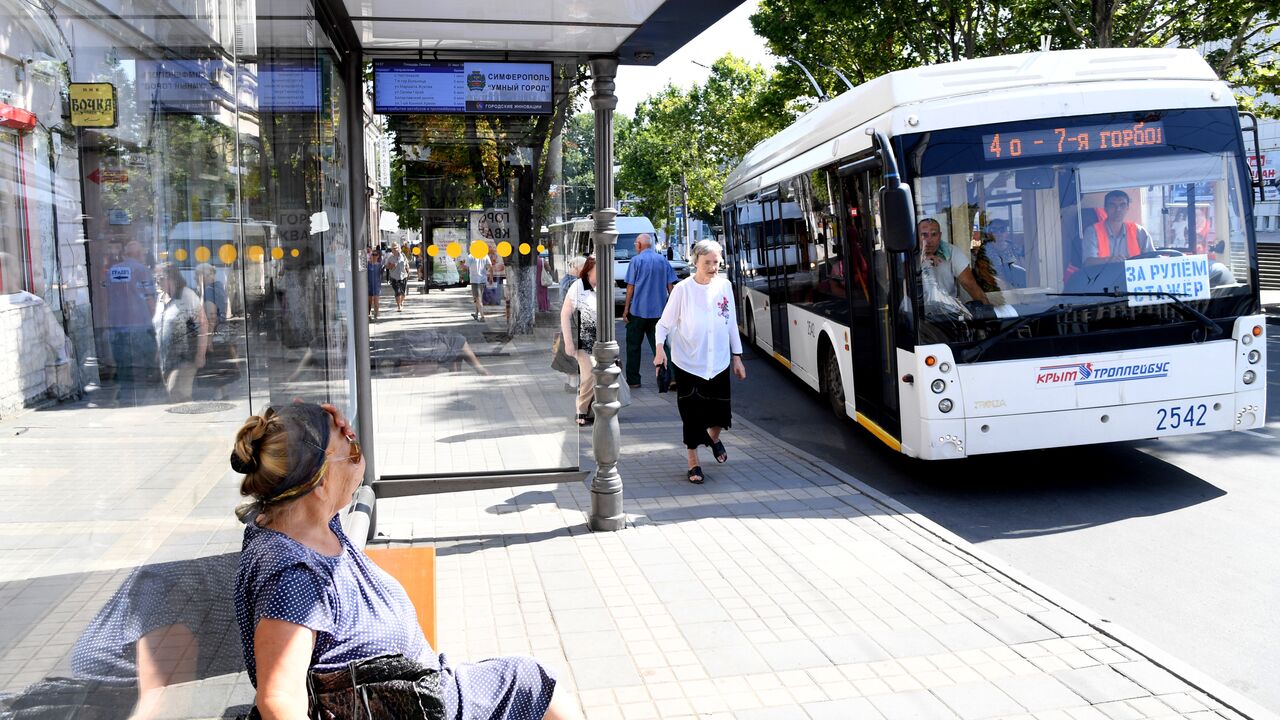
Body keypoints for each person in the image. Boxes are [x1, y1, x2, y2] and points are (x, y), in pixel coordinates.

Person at [231, 403, 578, 720]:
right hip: (414, 707)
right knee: (530, 684)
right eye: (351, 450)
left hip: (417, 694)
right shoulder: (293, 575)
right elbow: (279, 699)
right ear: (320, 483)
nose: (358, 455)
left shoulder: (305, 522)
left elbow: (296, 458)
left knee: (530, 679)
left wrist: (328, 429)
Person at [653, 240, 747, 484]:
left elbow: (730, 323)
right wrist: (659, 350)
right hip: (688, 364)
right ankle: (693, 461)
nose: (713, 267)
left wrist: (737, 357)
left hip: (719, 362)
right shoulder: (683, 290)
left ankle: (713, 438)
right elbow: (663, 325)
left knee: (720, 414)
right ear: (695, 262)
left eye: (716, 262)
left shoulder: (725, 286)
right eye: (708, 263)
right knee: (692, 415)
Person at [622, 233, 677, 389]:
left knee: (633, 346)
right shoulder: (663, 260)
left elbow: (630, 287)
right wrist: (673, 308)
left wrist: (626, 309)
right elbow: (670, 286)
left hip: (638, 311)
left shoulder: (636, 261)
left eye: (635, 245)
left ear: (639, 245)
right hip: (659, 312)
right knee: (661, 345)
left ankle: (633, 380)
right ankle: (671, 377)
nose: (635, 247)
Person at [104, 240, 158, 385]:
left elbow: (107, 298)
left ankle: (125, 396)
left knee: (123, 368)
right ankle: (141, 398)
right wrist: (156, 320)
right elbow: (150, 299)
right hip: (140, 326)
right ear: (140, 254)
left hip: (117, 326)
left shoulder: (111, 271)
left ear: (125, 254)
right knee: (143, 367)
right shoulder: (142, 270)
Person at [153, 263, 207, 403]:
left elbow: (202, 324)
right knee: (176, 397)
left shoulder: (186, 295)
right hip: (166, 359)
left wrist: (200, 354)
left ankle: (193, 419)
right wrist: (159, 352)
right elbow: (161, 327)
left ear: (173, 278)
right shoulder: (160, 298)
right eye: (156, 277)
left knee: (176, 392)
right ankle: (190, 420)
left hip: (185, 357)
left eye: (161, 277)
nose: (157, 281)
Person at [560, 256, 597, 426]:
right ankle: (581, 409)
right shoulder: (578, 286)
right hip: (584, 339)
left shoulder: (605, 285)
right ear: (589, 270)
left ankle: (594, 409)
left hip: (603, 339)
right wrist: (568, 342)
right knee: (589, 375)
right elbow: (565, 313)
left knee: (603, 376)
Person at [918, 218, 991, 305]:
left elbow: (969, 284)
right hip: (915, 312)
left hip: (947, 310)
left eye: (934, 234)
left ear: (940, 236)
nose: (929, 240)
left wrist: (990, 311)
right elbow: (901, 282)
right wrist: (921, 260)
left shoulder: (951, 252)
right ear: (916, 236)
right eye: (924, 235)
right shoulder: (907, 253)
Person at [1083, 190, 1154, 264]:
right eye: (1112, 205)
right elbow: (1088, 263)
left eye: (1122, 205)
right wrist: (1108, 260)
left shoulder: (1139, 231)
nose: (1118, 209)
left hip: (1133, 275)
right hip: (1106, 275)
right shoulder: (1092, 231)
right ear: (1105, 208)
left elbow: (1153, 258)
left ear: (1127, 208)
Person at [970, 219, 1025, 292]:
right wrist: (998, 282)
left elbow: (1024, 267)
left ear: (1006, 232)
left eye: (1002, 230)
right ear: (990, 233)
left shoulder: (1015, 248)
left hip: (1016, 289)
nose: (999, 233)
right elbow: (982, 272)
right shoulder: (984, 249)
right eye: (995, 230)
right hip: (993, 291)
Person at [466, 251, 493, 321]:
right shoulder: (485, 255)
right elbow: (490, 267)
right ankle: (476, 314)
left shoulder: (471, 256)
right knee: (478, 298)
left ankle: (482, 316)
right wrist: (491, 278)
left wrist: (462, 264)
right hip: (483, 280)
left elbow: (465, 268)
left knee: (478, 299)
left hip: (475, 280)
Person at [384, 244, 410, 312]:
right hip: (394, 277)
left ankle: (401, 303)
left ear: (399, 248)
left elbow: (406, 264)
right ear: (392, 250)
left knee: (403, 293)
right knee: (397, 292)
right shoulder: (390, 257)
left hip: (403, 276)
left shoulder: (403, 256)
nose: (395, 250)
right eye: (393, 248)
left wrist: (408, 270)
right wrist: (391, 266)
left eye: (396, 248)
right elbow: (386, 266)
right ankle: (399, 306)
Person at [367, 248, 383, 320]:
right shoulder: (368, 265)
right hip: (369, 285)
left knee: (376, 300)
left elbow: (382, 273)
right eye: (373, 254)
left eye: (375, 255)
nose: (374, 256)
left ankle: (376, 314)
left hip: (376, 285)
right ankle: (368, 313)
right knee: (369, 301)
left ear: (378, 256)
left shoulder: (379, 265)